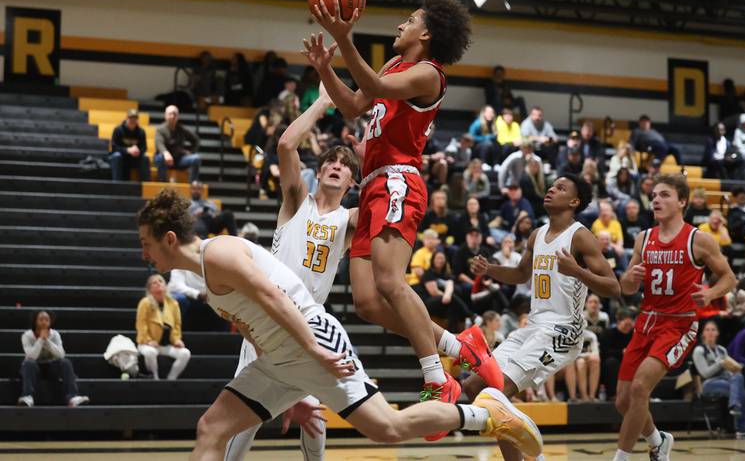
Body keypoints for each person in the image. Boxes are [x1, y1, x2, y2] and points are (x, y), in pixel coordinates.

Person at [137, 190, 544, 459]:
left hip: (312, 337)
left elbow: (274, 299)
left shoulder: (220, 254)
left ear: (169, 239)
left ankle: (485, 414)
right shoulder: (203, 276)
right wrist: (288, 388)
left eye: (146, 245)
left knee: (387, 427)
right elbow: (251, 323)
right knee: (211, 427)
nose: (144, 255)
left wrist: (312, 354)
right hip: (280, 358)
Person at [302, 0, 504, 418]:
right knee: (367, 302)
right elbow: (356, 103)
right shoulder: (395, 64)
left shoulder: (430, 74)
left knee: (391, 282)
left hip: (398, 181)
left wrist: (344, 36)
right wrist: (325, 69)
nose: (400, 26)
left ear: (426, 33)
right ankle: (457, 345)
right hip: (371, 184)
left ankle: (436, 376)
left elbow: (372, 88)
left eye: (409, 20)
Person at [225, 92, 361, 461]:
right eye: (330, 160)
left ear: (351, 180)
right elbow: (286, 143)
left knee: (315, 418)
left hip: (308, 324)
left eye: (344, 164)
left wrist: (368, 157)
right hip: (266, 317)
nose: (335, 165)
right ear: (318, 171)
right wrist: (322, 103)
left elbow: (387, 208)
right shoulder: (296, 199)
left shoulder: (349, 219)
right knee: (244, 418)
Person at [465, 174, 621, 461]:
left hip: (563, 329)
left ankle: (531, 453)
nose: (551, 189)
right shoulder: (537, 234)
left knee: (497, 392)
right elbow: (521, 274)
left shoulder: (580, 235)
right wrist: (490, 269)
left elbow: (613, 287)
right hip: (534, 325)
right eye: (552, 185)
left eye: (560, 188)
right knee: (475, 386)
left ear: (574, 202)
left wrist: (577, 271)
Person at [613, 173, 736, 461]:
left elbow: (729, 278)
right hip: (646, 321)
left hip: (679, 324)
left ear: (682, 201)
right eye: (654, 194)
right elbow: (626, 288)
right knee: (623, 401)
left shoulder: (699, 239)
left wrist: (709, 293)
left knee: (641, 388)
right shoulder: (643, 238)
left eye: (665, 194)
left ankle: (620, 458)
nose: (656, 199)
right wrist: (629, 277)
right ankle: (658, 441)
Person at [692, 320, 745, 438]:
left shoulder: (722, 350)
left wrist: (735, 367)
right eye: (707, 330)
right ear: (703, 333)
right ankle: (742, 426)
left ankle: (734, 405)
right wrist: (720, 363)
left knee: (738, 377)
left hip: (724, 380)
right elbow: (705, 374)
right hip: (707, 384)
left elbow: (732, 368)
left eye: (713, 329)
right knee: (739, 389)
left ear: (717, 333)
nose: (710, 332)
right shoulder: (699, 350)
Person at [18, 310, 89, 408]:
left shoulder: (55, 334)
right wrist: (40, 340)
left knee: (65, 362)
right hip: (34, 369)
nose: (44, 322)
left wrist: (46, 340)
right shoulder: (27, 336)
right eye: (41, 319)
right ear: (35, 321)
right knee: (28, 363)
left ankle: (72, 397)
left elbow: (61, 354)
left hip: (51, 369)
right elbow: (31, 356)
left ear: (50, 322)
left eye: (47, 320)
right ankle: (27, 396)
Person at [136, 274, 191, 380]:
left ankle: (171, 378)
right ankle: (155, 378)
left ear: (166, 286)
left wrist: (176, 340)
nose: (158, 284)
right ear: (149, 289)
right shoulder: (145, 303)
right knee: (150, 352)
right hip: (148, 343)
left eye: (160, 281)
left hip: (166, 344)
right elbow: (141, 325)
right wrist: (148, 341)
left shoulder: (173, 303)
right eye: (154, 282)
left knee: (185, 353)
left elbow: (177, 325)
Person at [417, 250, 475, 332]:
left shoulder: (447, 275)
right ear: (433, 260)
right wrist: (447, 295)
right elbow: (434, 292)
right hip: (428, 301)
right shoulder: (428, 273)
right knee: (452, 298)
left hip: (443, 302)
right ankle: (470, 315)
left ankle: (452, 333)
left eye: (442, 258)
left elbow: (450, 286)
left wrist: (447, 295)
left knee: (452, 308)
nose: (440, 261)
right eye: (438, 258)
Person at [154, 105, 201, 183]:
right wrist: (166, 153)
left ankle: (193, 185)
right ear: (165, 115)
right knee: (160, 157)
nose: (173, 116)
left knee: (196, 158)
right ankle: (163, 184)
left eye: (175, 114)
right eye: (170, 114)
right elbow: (159, 143)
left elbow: (196, 140)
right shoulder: (160, 129)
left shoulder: (181, 129)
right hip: (163, 159)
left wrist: (191, 151)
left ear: (178, 116)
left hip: (179, 159)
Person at [599, 309, 635, 399]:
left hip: (629, 360)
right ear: (618, 321)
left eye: (630, 325)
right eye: (626, 324)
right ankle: (613, 394)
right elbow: (604, 352)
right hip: (610, 362)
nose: (628, 327)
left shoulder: (634, 334)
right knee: (612, 363)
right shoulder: (607, 333)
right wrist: (621, 352)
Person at [109, 109, 150, 182]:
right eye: (131, 118)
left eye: (135, 118)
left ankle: (144, 184)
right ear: (126, 118)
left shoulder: (141, 132)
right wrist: (127, 150)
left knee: (145, 158)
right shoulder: (118, 130)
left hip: (134, 158)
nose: (133, 120)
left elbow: (144, 147)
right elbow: (114, 147)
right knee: (116, 156)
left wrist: (138, 151)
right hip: (122, 157)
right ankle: (116, 185)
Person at [575, 328, 600, 401]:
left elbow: (596, 354)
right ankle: (584, 396)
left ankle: (592, 396)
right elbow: (570, 355)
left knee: (595, 361)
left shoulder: (591, 335)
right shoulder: (569, 334)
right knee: (581, 363)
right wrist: (586, 355)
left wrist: (585, 356)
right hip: (572, 360)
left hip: (586, 358)